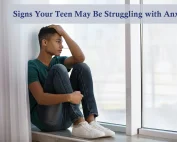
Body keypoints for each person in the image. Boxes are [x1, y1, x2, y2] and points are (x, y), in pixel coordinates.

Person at [28, 25, 115, 139]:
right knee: (59, 68)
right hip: (47, 120)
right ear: (44, 42)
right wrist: (69, 97)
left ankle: (90, 121)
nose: (62, 46)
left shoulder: (58, 60)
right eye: (58, 41)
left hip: (65, 118)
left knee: (81, 67)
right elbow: (40, 98)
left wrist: (63, 33)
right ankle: (79, 122)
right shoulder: (32, 66)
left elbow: (80, 58)